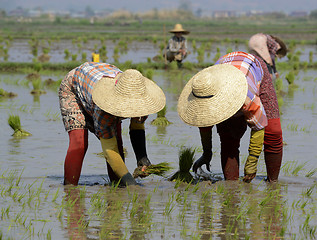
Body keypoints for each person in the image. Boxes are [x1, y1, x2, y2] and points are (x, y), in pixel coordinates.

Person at [177, 51, 283, 183]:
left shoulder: (246, 95)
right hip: (223, 68)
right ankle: (231, 189)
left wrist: (252, 160)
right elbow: (205, 127)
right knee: (228, 137)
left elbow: (259, 124)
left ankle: (273, 184)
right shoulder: (203, 94)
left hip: (252, 67)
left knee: (273, 132)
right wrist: (206, 153)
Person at [59, 62, 166, 186]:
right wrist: (131, 184)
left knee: (118, 142)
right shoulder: (103, 108)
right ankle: (70, 189)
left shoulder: (142, 100)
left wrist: (142, 158)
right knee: (79, 143)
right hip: (74, 87)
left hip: (100, 75)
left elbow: (137, 127)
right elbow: (109, 150)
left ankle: (117, 185)